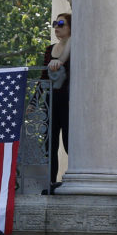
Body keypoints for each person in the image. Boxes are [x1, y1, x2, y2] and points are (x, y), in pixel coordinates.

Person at [43, 13, 72, 191]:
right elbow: (43, 77)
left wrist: (61, 61)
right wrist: (34, 102)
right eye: (55, 23)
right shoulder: (49, 49)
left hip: (69, 102)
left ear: (71, 27)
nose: (56, 27)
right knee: (50, 144)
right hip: (51, 101)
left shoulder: (74, 45)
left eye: (61, 23)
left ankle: (74, 179)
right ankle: (50, 182)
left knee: (70, 143)